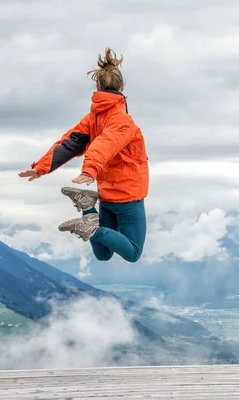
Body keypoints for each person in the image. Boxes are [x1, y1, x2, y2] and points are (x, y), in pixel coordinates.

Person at [18, 47, 148, 263]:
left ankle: (88, 208)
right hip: (128, 196)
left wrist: (42, 167)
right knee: (133, 253)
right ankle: (91, 226)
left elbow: (71, 143)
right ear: (122, 87)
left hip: (105, 195)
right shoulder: (123, 121)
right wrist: (90, 169)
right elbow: (105, 144)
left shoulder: (93, 118)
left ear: (97, 87)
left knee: (103, 255)